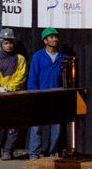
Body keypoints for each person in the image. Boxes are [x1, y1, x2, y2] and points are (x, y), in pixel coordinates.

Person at [26, 28, 69, 159]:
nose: (55, 39)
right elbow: (33, 77)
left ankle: (51, 151)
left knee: (56, 127)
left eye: (56, 37)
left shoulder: (62, 58)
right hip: (41, 95)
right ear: (45, 41)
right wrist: (33, 94)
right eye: (51, 37)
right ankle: (34, 152)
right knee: (36, 126)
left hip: (56, 96)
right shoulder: (38, 57)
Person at [0, 29, 28, 159]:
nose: (8, 45)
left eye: (10, 43)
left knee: (12, 124)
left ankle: (8, 150)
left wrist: (9, 88)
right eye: (6, 43)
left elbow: (21, 76)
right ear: (1, 44)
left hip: (13, 95)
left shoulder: (20, 59)